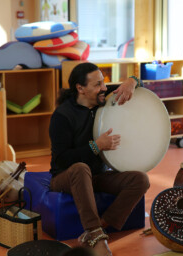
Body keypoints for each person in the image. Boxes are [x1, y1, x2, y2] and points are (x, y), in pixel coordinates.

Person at [49, 62, 150, 256]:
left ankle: (98, 229)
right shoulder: (62, 116)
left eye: (103, 82)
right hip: (66, 176)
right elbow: (62, 159)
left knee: (140, 179)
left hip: (97, 176)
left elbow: (139, 86)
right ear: (81, 88)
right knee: (80, 168)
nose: (104, 88)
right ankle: (97, 236)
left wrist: (132, 81)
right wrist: (96, 146)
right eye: (97, 84)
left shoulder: (104, 96)